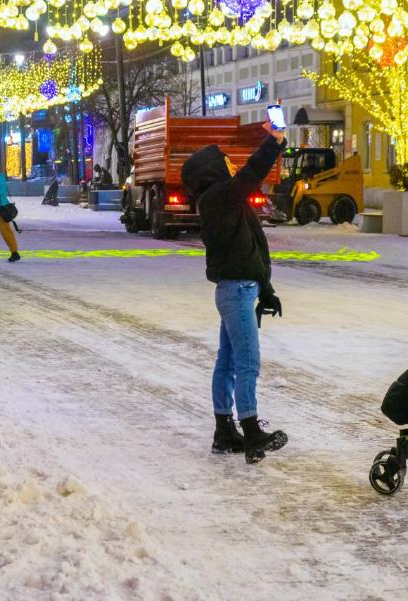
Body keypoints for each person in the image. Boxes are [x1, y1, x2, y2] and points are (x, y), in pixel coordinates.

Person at [181, 120, 288, 465]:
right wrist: (274, 142)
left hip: (239, 289)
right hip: (236, 291)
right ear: (211, 169)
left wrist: (266, 289)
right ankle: (251, 430)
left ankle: (224, 432)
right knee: (247, 363)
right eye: (224, 161)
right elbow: (252, 173)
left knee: (228, 362)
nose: (230, 165)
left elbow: (252, 248)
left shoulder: (224, 201)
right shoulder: (218, 198)